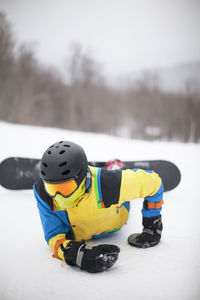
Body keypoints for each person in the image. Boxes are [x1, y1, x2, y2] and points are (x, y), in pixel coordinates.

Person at [33, 141, 164, 273]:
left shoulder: (112, 184)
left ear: (80, 179)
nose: (57, 196)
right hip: (79, 232)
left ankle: (114, 168)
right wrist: (77, 255)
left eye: (65, 188)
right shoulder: (43, 194)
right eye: (52, 188)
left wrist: (152, 227)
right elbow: (54, 236)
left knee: (115, 179)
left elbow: (154, 182)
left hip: (117, 215)